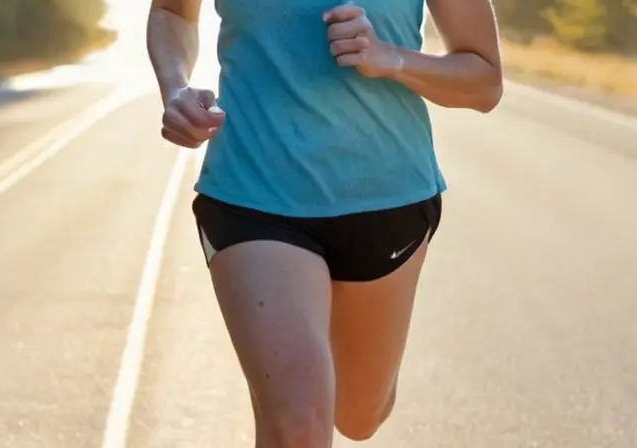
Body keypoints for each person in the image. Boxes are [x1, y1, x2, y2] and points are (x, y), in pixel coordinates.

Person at [147, 0, 502, 445]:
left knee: (358, 414)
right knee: (299, 423)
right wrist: (175, 87)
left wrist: (390, 58)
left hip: (387, 198)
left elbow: (484, 81)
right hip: (253, 191)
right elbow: (173, 12)